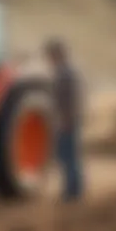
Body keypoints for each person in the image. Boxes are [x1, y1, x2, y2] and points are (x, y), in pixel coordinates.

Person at [44, 37, 84, 201]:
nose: (50, 59)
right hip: (64, 119)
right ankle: (71, 189)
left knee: (69, 156)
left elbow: (72, 99)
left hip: (67, 120)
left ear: (58, 54)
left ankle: (73, 191)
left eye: (51, 55)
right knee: (66, 156)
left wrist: (67, 119)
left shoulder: (66, 73)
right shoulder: (61, 72)